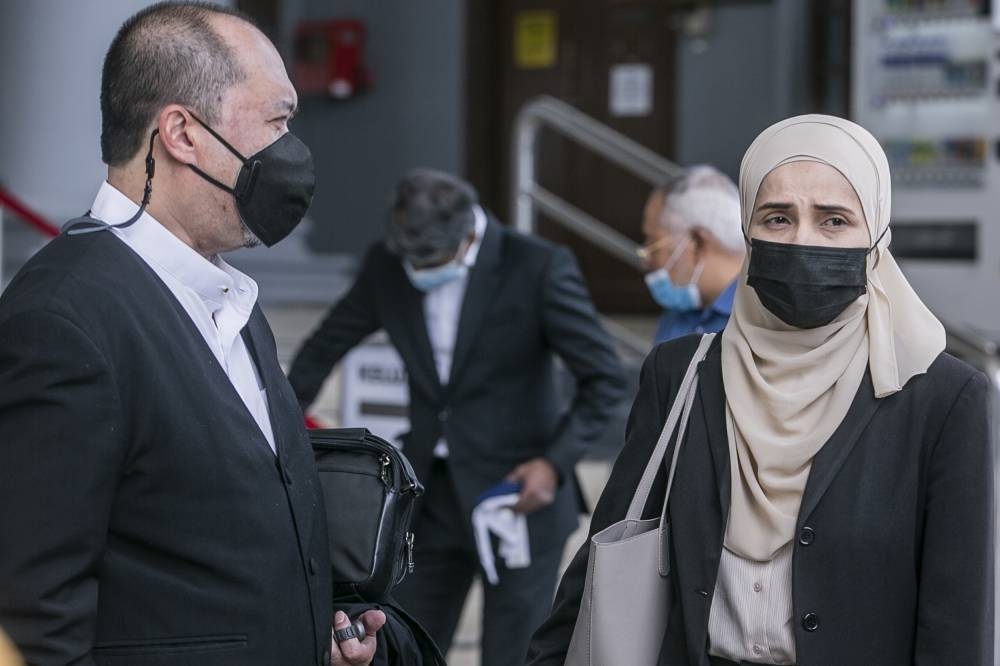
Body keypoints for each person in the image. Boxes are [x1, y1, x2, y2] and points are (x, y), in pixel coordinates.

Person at [528, 115, 994, 665]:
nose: (802, 239)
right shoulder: (682, 375)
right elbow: (604, 558)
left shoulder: (943, 398)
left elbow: (957, 622)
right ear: (747, 232)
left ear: (877, 238)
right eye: (777, 217)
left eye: (834, 220)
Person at [0, 3, 384, 665]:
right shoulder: (63, 321)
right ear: (181, 131)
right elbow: (34, 614)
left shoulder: (227, 299)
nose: (292, 149)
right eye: (277, 120)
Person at [287, 168, 627, 665]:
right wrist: (283, 421)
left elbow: (604, 379)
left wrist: (553, 463)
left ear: (469, 233)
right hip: (430, 495)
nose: (420, 271)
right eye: (412, 262)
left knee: (515, 652)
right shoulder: (388, 265)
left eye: (433, 261)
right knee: (410, 643)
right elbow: (324, 347)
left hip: (518, 496)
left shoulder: (537, 266)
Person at [640, 166, 745, 343]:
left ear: (698, 242)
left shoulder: (763, 319)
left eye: (653, 244)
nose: (645, 261)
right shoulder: (676, 316)